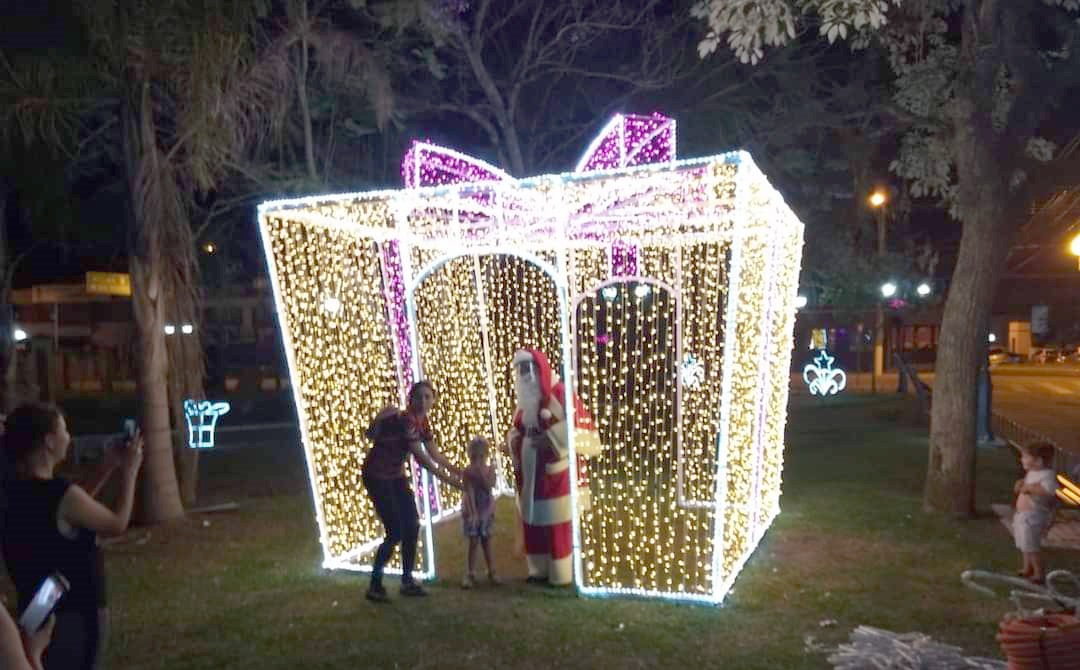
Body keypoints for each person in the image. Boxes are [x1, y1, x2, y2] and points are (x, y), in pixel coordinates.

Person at [0, 403, 144, 670]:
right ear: (49, 442)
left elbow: (69, 507)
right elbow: (116, 523)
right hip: (76, 615)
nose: (69, 436)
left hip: (35, 614)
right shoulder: (61, 494)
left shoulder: (13, 494)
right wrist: (130, 471)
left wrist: (107, 465)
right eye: (64, 430)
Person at [504, 349, 602, 586]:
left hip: (554, 473)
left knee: (557, 525)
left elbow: (584, 433)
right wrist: (514, 440)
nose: (526, 375)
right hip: (530, 472)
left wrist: (550, 439)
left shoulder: (560, 394)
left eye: (530, 369)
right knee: (533, 522)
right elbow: (517, 427)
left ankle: (560, 574)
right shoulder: (525, 400)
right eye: (521, 370)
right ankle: (538, 570)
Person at [362, 381, 462, 603]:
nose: (424, 401)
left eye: (428, 397)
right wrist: (455, 484)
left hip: (395, 476)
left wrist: (463, 473)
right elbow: (423, 459)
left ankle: (407, 581)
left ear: (433, 400)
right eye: (420, 397)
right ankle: (375, 584)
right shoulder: (406, 420)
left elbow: (436, 455)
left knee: (413, 525)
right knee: (395, 530)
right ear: (411, 398)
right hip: (377, 477)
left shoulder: (422, 422)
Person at [1012, 441, 1057, 584]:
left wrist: (1030, 489)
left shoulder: (1047, 475)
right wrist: (1021, 484)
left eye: (1025, 457)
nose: (1022, 459)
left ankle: (1038, 573)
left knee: (1031, 544)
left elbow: (1049, 491)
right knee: (1023, 543)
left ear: (1038, 461)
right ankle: (1027, 568)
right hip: (1023, 515)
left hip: (1034, 515)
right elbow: (1025, 485)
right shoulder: (1031, 473)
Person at [460, 436, 499, 589]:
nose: (478, 460)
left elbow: (489, 487)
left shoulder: (490, 471)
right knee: (473, 541)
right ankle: (470, 572)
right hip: (472, 507)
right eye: (474, 457)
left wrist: (483, 473)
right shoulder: (468, 471)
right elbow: (469, 492)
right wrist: (473, 513)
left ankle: (492, 571)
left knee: (486, 541)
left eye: (481, 456)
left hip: (486, 506)